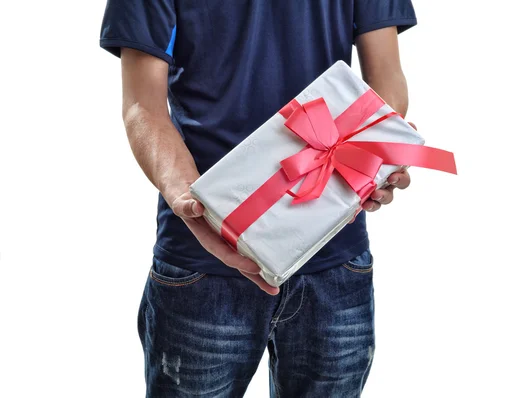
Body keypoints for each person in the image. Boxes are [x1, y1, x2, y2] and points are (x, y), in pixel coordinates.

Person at [100, 0, 417, 396]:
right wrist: (192, 203)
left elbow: (386, 83)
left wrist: (375, 154)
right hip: (206, 259)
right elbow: (143, 106)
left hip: (333, 257)